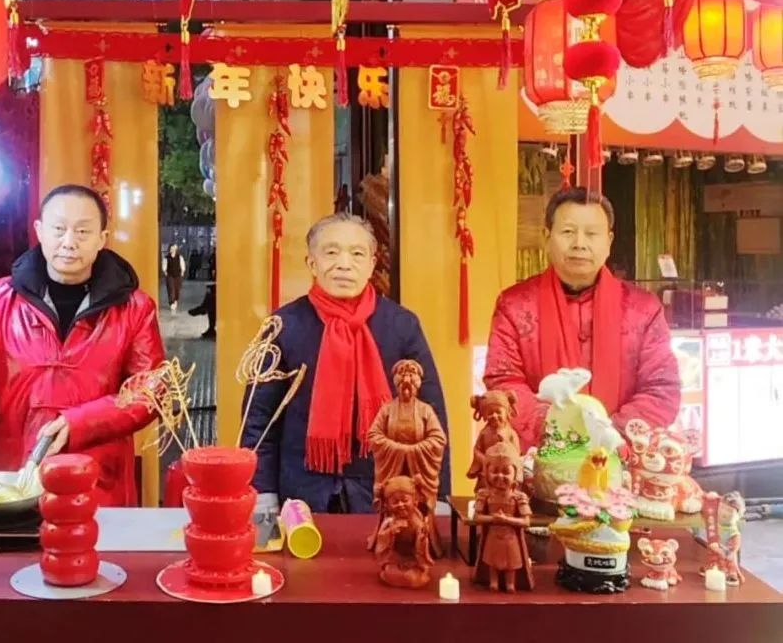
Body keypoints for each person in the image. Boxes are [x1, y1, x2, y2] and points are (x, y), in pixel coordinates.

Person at [0, 184, 166, 506]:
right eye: (59, 229)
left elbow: (150, 390)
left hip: (96, 479)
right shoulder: (0, 300)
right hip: (12, 476)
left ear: (102, 238)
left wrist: (80, 422)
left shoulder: (134, 309)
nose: (69, 242)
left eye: (83, 231)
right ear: (40, 231)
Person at [240, 212, 448, 514]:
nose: (344, 264)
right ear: (312, 263)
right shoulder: (283, 326)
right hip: (302, 494)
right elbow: (258, 419)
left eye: (357, 254)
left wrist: (435, 494)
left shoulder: (401, 326)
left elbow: (431, 415)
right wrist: (262, 494)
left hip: (385, 491)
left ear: (372, 264)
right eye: (331, 252)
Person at [483, 187, 680, 453]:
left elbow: (661, 388)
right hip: (538, 459)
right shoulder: (514, 305)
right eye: (568, 232)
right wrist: (560, 430)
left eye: (591, 233)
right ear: (547, 237)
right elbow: (504, 381)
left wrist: (605, 434)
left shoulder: (643, 309)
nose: (579, 243)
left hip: (619, 458)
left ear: (609, 241)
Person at [162, 243, 185, 312]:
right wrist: (165, 272)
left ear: (176, 249)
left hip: (178, 275)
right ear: (169, 249)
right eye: (171, 248)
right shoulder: (166, 258)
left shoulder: (180, 257)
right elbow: (164, 266)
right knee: (171, 289)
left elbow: (182, 265)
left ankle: (175, 300)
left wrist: (182, 272)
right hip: (170, 275)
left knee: (177, 289)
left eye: (174, 248)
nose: (172, 250)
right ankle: (171, 302)